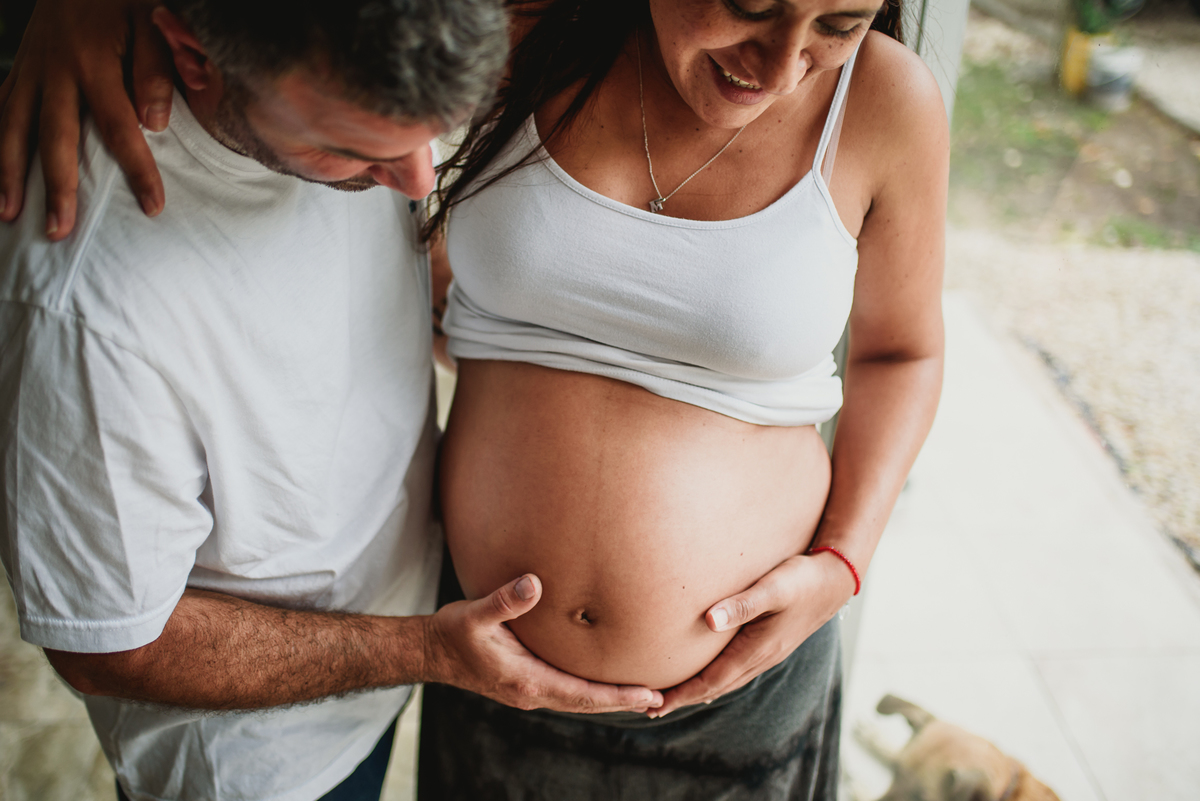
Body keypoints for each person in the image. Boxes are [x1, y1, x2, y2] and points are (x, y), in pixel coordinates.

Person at [1, 0, 948, 798]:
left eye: (838, 20)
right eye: (750, 3)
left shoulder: (881, 100)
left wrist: (845, 562)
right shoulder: (525, 23)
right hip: (479, 674)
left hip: (732, 690)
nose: (786, 64)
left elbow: (902, 350)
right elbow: (110, 640)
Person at [0, 2, 664, 801]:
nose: (421, 180)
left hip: (387, 650)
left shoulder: (337, 84)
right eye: (357, 148)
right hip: (269, 760)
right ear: (194, 53)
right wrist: (425, 651)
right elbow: (108, 646)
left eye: (434, 133)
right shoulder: (86, 313)